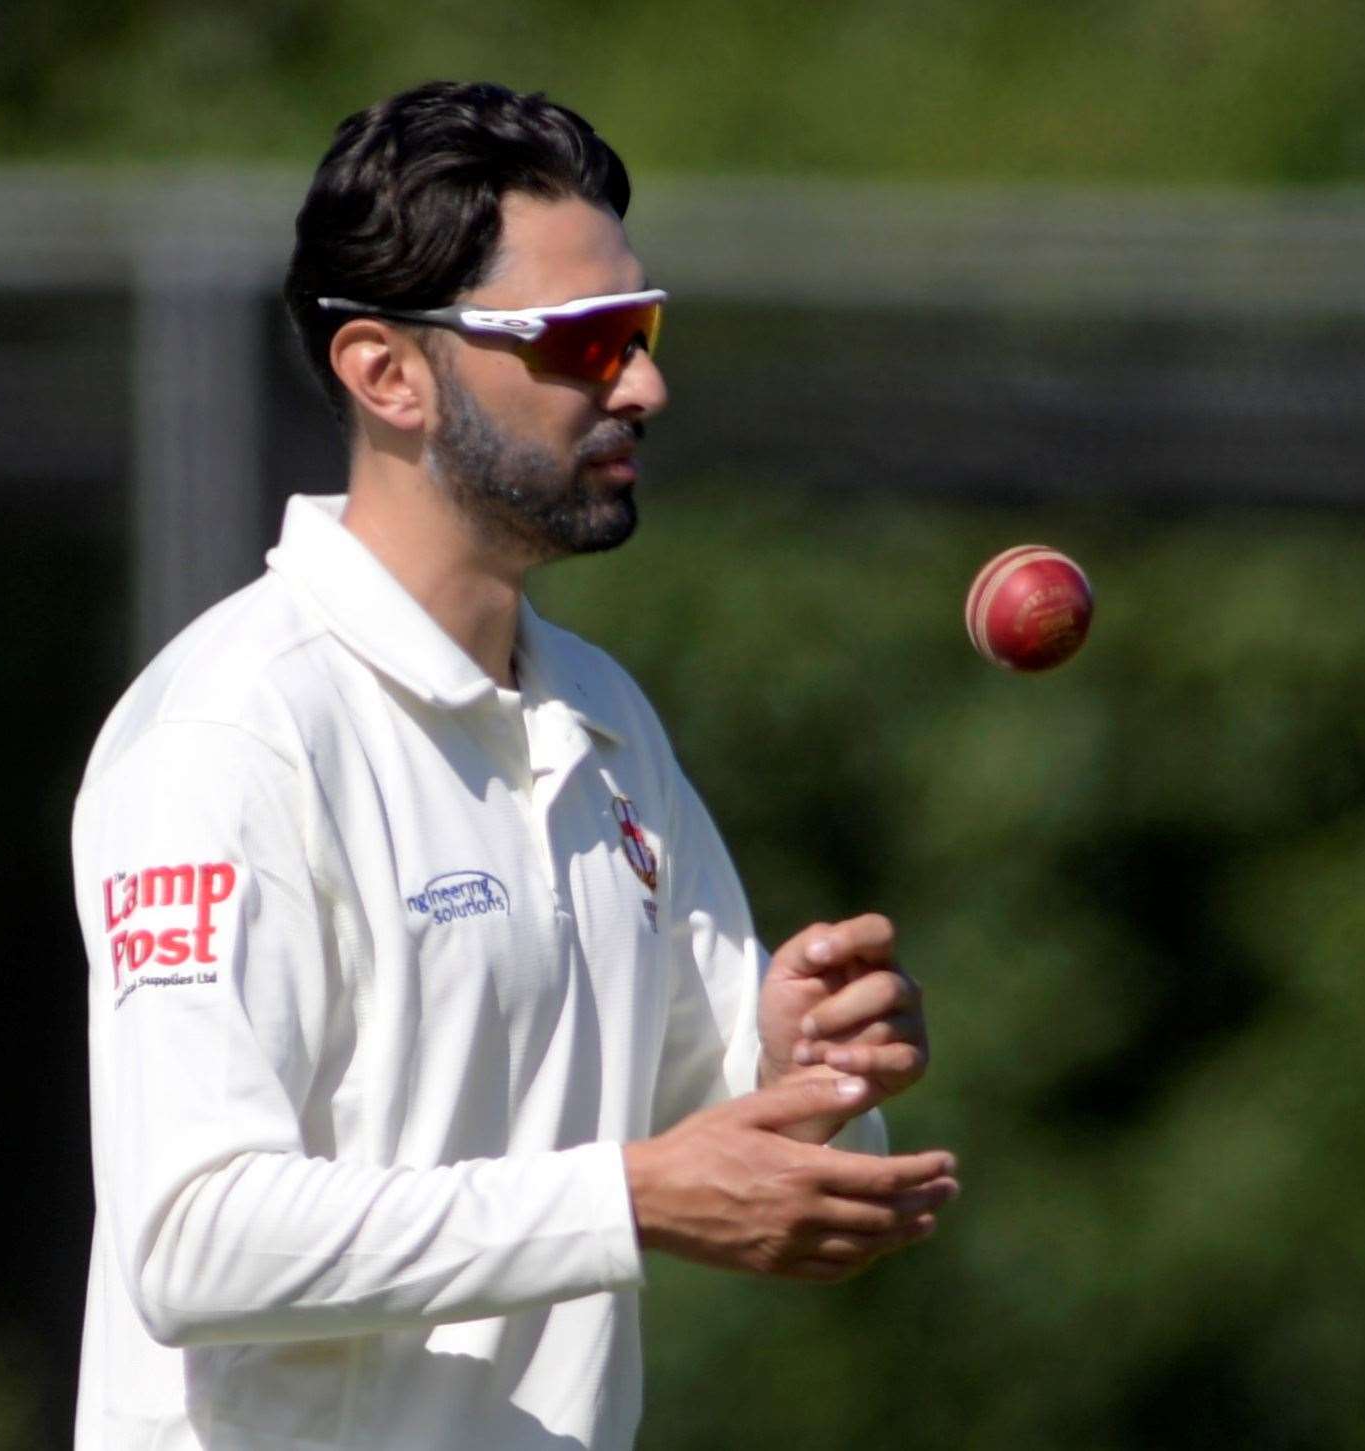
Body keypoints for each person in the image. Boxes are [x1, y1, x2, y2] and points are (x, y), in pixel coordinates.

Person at [71, 79, 959, 1451]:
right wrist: (629, 1201)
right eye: (584, 340)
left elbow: (725, 1157)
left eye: (643, 329)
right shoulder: (232, 731)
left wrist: (799, 1063)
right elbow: (195, 1241)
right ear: (386, 372)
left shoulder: (600, 716)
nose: (644, 383)